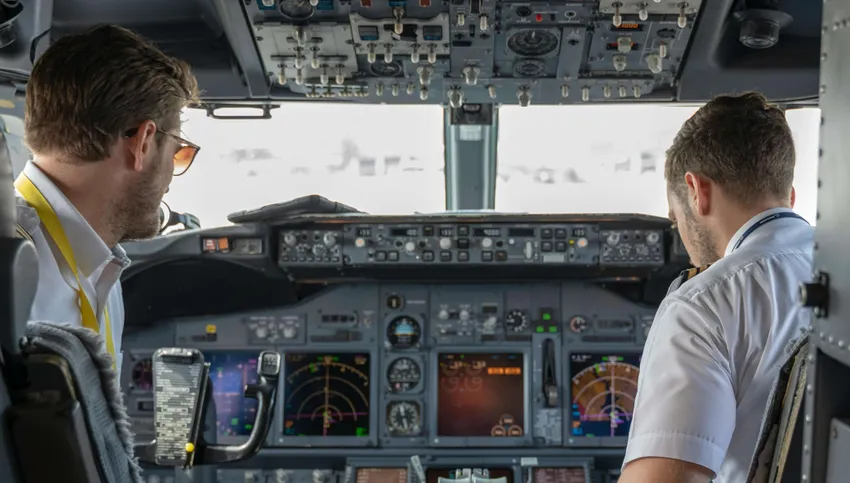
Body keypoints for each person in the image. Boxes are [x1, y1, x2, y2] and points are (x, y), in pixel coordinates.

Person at [619, 92, 814, 483]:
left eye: (676, 220)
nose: (685, 244)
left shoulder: (701, 307)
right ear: (788, 199)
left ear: (696, 191)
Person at [14, 25, 200, 372]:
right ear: (143, 143)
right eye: (178, 153)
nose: (171, 180)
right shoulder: (11, 265)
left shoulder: (100, 269)